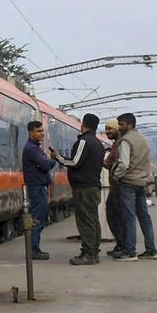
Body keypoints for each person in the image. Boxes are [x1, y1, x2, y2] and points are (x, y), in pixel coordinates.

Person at [52, 113, 107, 265]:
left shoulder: (84, 141)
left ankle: (89, 253)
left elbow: (75, 162)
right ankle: (93, 251)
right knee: (92, 220)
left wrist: (58, 157)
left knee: (85, 221)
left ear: (83, 124)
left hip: (84, 188)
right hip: (92, 186)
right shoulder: (98, 143)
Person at [112, 114, 157, 261]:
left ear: (130, 124)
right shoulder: (143, 139)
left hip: (128, 183)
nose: (119, 127)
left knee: (129, 217)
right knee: (144, 217)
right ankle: (151, 250)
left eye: (121, 124)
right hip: (141, 183)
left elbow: (124, 164)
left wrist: (116, 176)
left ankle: (130, 251)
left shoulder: (125, 140)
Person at [23, 120, 56, 260]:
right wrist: (53, 160)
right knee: (37, 219)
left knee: (39, 218)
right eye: (38, 131)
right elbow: (45, 165)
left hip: (39, 186)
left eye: (42, 131)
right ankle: (34, 250)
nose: (42, 133)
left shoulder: (36, 148)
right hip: (36, 187)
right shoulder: (31, 149)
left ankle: (35, 248)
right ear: (31, 133)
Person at [103, 119, 127, 258]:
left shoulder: (120, 144)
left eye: (110, 128)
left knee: (115, 216)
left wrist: (108, 166)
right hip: (115, 186)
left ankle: (123, 245)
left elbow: (121, 164)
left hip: (118, 187)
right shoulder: (115, 144)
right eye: (106, 128)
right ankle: (121, 244)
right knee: (115, 216)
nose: (107, 131)